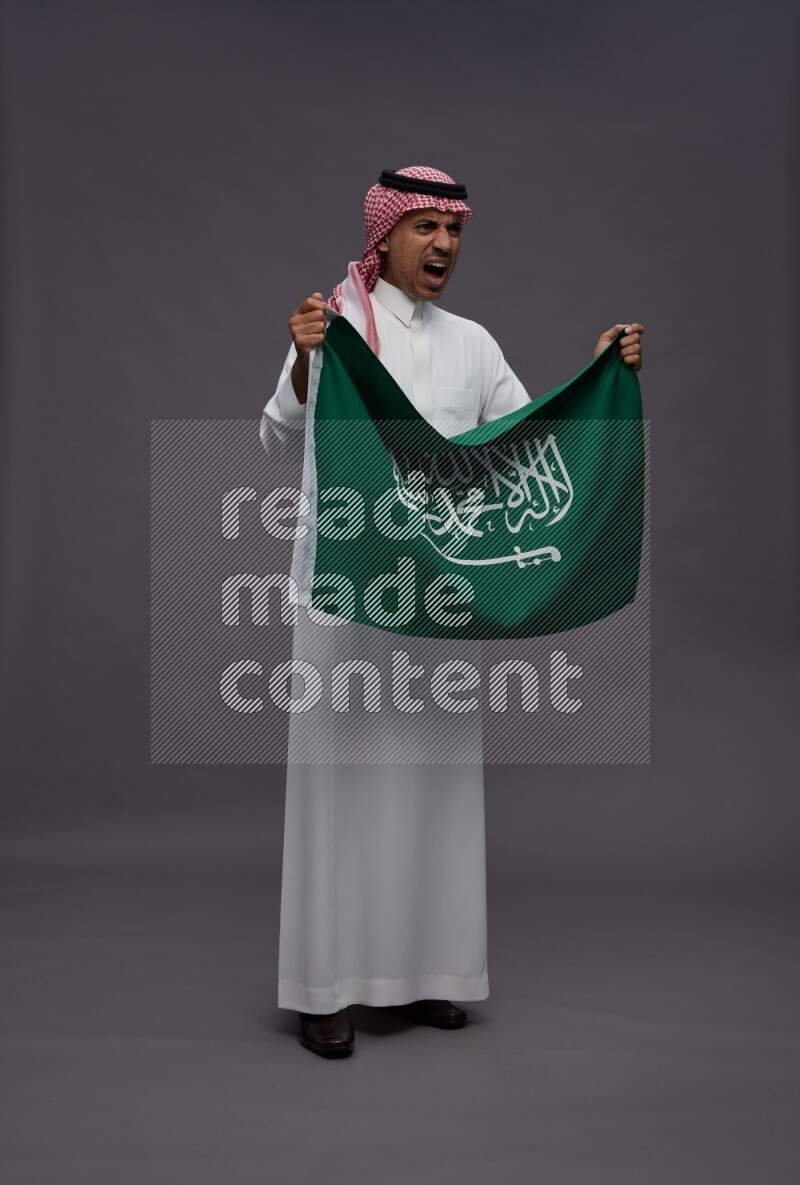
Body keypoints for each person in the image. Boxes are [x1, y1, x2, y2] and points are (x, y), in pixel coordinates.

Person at [260, 166, 644, 1058]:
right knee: (341, 790)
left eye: (454, 229)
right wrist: (304, 359)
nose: (442, 245)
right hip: (348, 595)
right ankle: (326, 988)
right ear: (384, 235)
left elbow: (529, 443)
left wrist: (600, 380)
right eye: (425, 226)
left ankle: (429, 973)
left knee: (432, 789)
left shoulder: (473, 342)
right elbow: (274, 436)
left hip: (442, 601)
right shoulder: (337, 327)